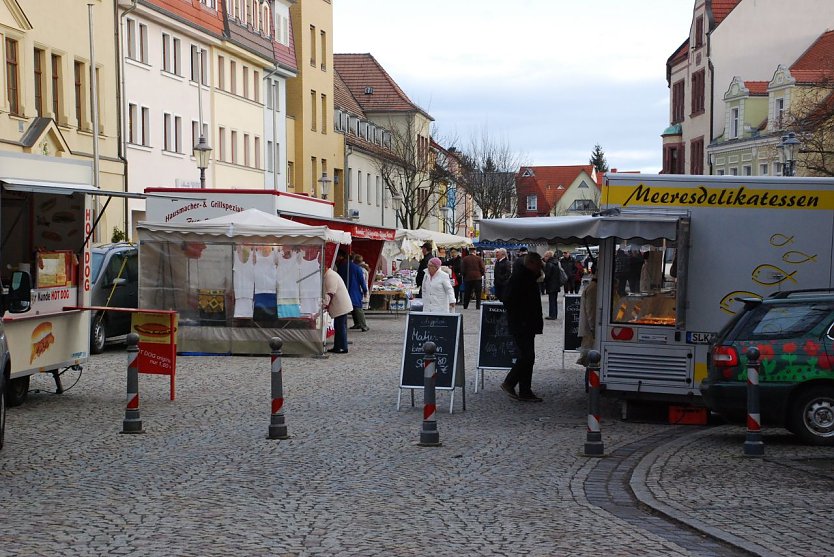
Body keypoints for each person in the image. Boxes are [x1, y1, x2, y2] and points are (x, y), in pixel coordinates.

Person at [501, 252, 545, 402]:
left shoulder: (527, 277)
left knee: (528, 357)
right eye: (538, 264)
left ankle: (525, 390)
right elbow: (509, 300)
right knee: (527, 356)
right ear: (531, 263)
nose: (540, 267)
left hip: (526, 323)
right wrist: (522, 317)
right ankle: (510, 382)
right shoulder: (520, 278)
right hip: (522, 323)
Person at [337, 251, 369, 332]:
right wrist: (365, 291)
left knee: (348, 307)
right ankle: (363, 325)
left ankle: (357, 323)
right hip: (354, 290)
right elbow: (362, 281)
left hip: (344, 289)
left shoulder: (341, 267)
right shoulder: (357, 268)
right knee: (357, 308)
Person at [323, 268, 352, 354]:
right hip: (341, 304)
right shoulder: (330, 274)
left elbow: (330, 293)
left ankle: (342, 347)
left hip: (340, 305)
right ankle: (338, 346)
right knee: (339, 326)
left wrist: (325, 304)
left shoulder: (330, 276)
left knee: (340, 327)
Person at [577, 266, 598, 366]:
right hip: (591, 330)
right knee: (591, 359)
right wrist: (593, 328)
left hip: (590, 328)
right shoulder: (593, 288)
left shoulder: (592, 287)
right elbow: (591, 310)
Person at [543, 250, 561, 319]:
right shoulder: (556, 263)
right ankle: (554, 314)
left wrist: (544, 282)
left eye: (545, 256)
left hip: (551, 285)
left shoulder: (549, 264)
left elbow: (547, 275)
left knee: (551, 301)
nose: (544, 258)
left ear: (548, 256)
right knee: (554, 300)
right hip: (556, 284)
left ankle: (552, 315)